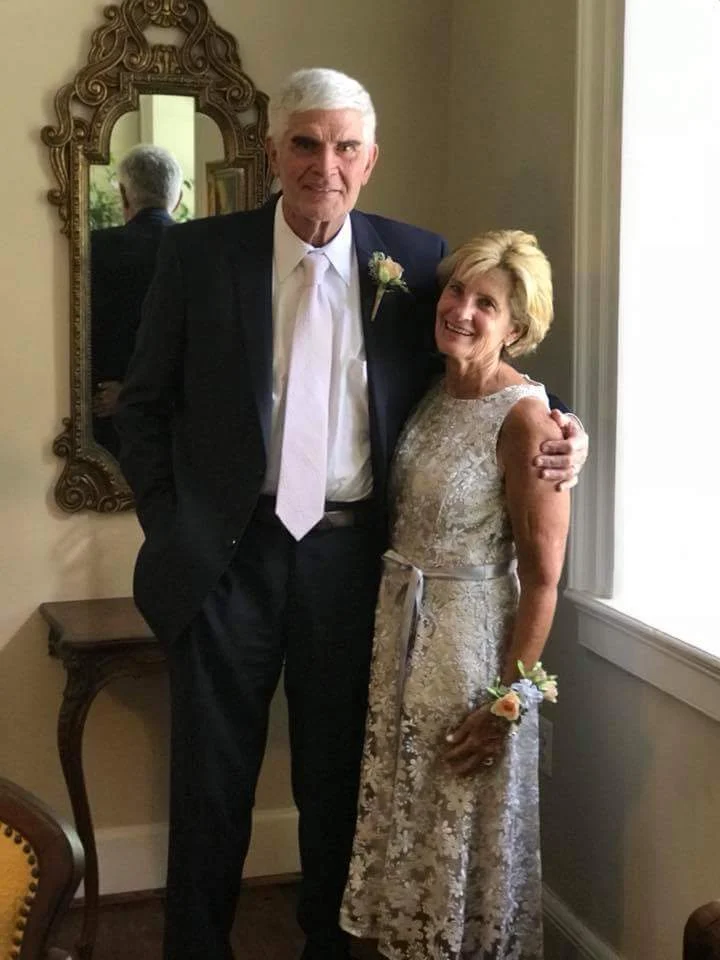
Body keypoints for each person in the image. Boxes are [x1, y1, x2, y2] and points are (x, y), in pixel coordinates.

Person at [114, 69, 586, 960]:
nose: (322, 165)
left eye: (343, 147)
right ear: (271, 151)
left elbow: (482, 370)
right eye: (304, 142)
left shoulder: (413, 258)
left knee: (340, 783)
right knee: (211, 786)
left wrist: (569, 428)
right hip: (228, 561)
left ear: (369, 161)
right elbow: (139, 408)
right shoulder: (200, 255)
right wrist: (174, 521)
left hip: (353, 569)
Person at [340, 230, 570, 960]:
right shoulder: (434, 392)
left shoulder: (529, 421)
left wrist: (508, 701)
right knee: (410, 815)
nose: (463, 311)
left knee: (456, 815)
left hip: (469, 649)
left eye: (487, 303)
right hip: (401, 633)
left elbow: (543, 579)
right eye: (457, 292)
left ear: (517, 327)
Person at [90, 143, 183, 457]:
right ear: (178, 198)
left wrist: (127, 394)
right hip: (179, 426)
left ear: (124, 195)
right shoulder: (202, 253)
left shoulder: (92, 249)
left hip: (100, 424)